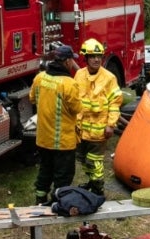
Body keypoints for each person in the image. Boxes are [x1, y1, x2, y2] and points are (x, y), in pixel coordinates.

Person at [31, 44, 83, 204]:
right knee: (63, 175)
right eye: (71, 61)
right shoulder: (69, 84)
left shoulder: (40, 78)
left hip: (43, 138)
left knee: (45, 170)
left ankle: (40, 198)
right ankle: (58, 202)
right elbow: (77, 108)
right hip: (63, 141)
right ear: (67, 62)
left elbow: (32, 98)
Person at [74, 39, 122, 196]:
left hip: (99, 130)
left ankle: (98, 189)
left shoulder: (109, 78)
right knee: (82, 159)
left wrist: (111, 125)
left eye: (99, 56)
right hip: (81, 130)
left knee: (94, 161)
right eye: (93, 56)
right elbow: (74, 100)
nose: (96, 59)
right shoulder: (79, 75)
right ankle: (91, 181)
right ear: (86, 58)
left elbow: (114, 104)